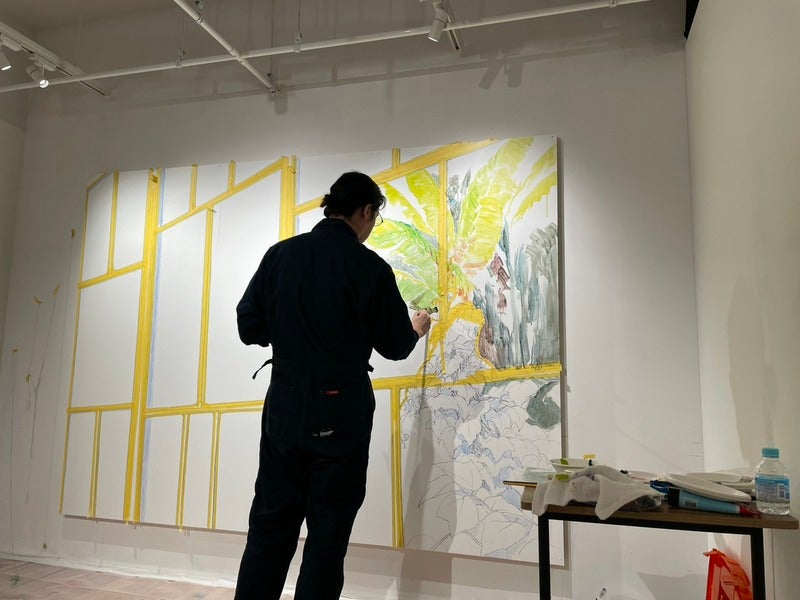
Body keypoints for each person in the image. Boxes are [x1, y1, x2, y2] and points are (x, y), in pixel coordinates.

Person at [234, 171, 432, 599]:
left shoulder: (280, 255)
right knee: (327, 537)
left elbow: (248, 325)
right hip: (341, 409)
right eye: (375, 218)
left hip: (285, 401)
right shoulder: (369, 267)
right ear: (366, 212)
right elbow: (395, 346)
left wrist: (289, 335)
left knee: (269, 527)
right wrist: (416, 329)